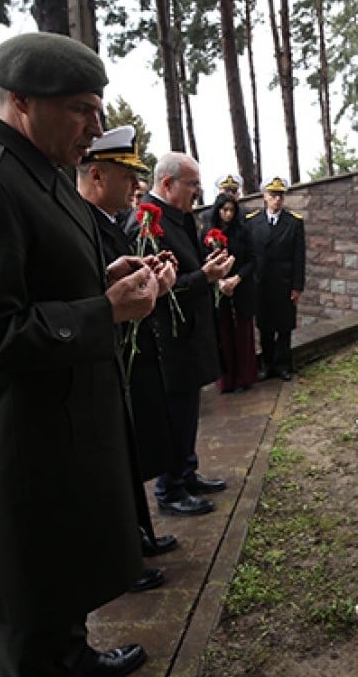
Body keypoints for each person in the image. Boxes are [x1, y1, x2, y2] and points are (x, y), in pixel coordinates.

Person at [0, 31, 159, 677]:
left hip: (66, 431)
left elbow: (44, 287)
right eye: (81, 108)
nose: (95, 127)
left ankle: (74, 657)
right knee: (31, 605)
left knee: (62, 586)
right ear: (20, 100)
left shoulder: (42, 176)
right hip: (26, 449)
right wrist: (105, 312)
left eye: (97, 110)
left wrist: (107, 283)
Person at [76, 125, 181, 583]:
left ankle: (135, 537)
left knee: (127, 459)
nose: (137, 187)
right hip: (97, 362)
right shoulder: (81, 223)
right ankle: (123, 558)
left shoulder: (104, 222)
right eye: (127, 176)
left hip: (117, 360)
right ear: (97, 176)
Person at [143, 151, 235, 516]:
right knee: (174, 417)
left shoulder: (178, 218)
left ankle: (187, 471)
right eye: (193, 184)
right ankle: (171, 488)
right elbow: (156, 290)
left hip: (190, 335)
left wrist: (209, 268)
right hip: (171, 339)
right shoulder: (148, 223)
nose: (199, 192)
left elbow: (187, 270)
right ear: (168, 183)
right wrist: (205, 278)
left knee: (187, 413)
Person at [245, 175, 306, 381]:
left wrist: (297, 286)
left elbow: (299, 256)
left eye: (280, 196)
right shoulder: (252, 222)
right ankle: (267, 364)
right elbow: (249, 254)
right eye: (273, 195)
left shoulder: (294, 222)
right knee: (265, 327)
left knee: (285, 327)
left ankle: (283, 365)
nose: (277, 200)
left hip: (284, 283)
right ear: (264, 196)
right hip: (261, 284)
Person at [205, 189, 257, 392]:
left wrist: (236, 279)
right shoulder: (207, 232)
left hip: (240, 287)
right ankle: (226, 380)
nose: (228, 214)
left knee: (243, 335)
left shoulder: (242, 231)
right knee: (224, 336)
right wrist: (219, 282)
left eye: (231, 210)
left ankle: (245, 377)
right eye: (224, 210)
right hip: (219, 289)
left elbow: (252, 260)